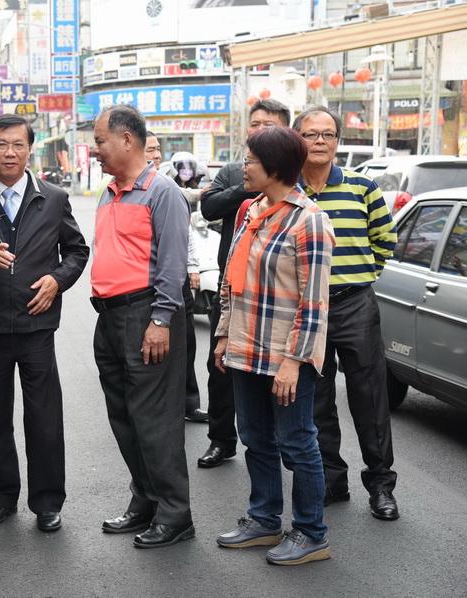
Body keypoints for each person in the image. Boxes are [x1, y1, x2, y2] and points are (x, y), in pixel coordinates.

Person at [0, 114, 89, 533]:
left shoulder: (52, 197)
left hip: (36, 326)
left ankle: (48, 501)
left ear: (30, 149)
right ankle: (2, 496)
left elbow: (77, 251)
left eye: (17, 144)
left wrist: (57, 280)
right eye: (1, 144)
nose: (9, 152)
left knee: (44, 418)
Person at [213, 126, 335, 566]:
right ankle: (264, 519)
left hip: (286, 355)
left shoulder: (309, 221)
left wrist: (293, 362)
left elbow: (314, 302)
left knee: (298, 443)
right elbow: (233, 279)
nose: (243, 167)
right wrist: (224, 334)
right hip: (246, 348)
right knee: (255, 439)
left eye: (250, 161)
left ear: (276, 168)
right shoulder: (252, 210)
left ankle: (311, 532)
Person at [90, 104, 193, 549]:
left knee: (155, 420)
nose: (95, 150)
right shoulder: (109, 191)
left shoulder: (162, 192)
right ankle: (145, 500)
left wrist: (160, 320)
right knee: (125, 418)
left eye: (100, 141)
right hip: (110, 318)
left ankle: (175, 512)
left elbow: (172, 266)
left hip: (147, 315)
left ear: (127, 139)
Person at [292, 106, 400, 520]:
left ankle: (381, 486)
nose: (320, 141)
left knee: (369, 397)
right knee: (315, 400)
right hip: (305, 310)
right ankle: (331, 482)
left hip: (355, 304)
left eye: (328, 134)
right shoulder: (288, 191)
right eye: (311, 134)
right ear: (296, 138)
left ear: (338, 141)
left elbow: (384, 239)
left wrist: (363, 274)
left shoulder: (362, 186)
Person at [197, 98, 291, 468]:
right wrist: (250, 187)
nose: (259, 130)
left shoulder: (293, 177)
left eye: (268, 125)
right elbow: (208, 207)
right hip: (233, 287)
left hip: (279, 294)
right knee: (221, 367)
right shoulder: (237, 171)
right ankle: (222, 440)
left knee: (279, 373)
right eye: (254, 124)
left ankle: (282, 442)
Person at [144, 135, 207, 423]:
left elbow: (187, 234)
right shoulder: (129, 189)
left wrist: (192, 266)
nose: (156, 155)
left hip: (177, 277)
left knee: (185, 344)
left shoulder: (171, 184)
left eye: (158, 150)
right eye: (150, 150)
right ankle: (162, 406)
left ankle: (188, 402)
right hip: (148, 283)